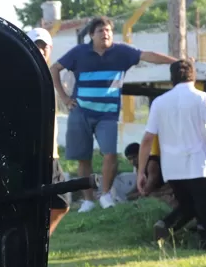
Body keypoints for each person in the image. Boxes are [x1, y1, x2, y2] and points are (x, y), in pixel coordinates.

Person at [51, 16, 177, 213]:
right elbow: (55, 68)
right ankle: (88, 200)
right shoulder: (79, 52)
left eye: (108, 30)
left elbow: (148, 55)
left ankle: (106, 194)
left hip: (108, 115)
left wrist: (178, 63)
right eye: (100, 30)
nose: (105, 33)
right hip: (81, 112)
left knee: (110, 154)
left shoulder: (121, 52)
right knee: (84, 158)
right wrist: (65, 98)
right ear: (91, 35)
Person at [138, 59, 206, 249]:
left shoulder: (159, 102)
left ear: (171, 78)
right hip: (199, 165)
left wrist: (141, 171)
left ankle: (164, 225)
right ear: (194, 76)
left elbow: (147, 139)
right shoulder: (203, 99)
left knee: (188, 206)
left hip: (172, 169)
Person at [28, 27, 69, 267]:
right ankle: (32, 263)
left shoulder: (47, 77)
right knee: (38, 209)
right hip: (35, 156)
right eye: (36, 45)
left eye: (44, 46)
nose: (40, 50)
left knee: (60, 205)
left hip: (51, 154)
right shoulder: (26, 75)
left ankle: (34, 257)